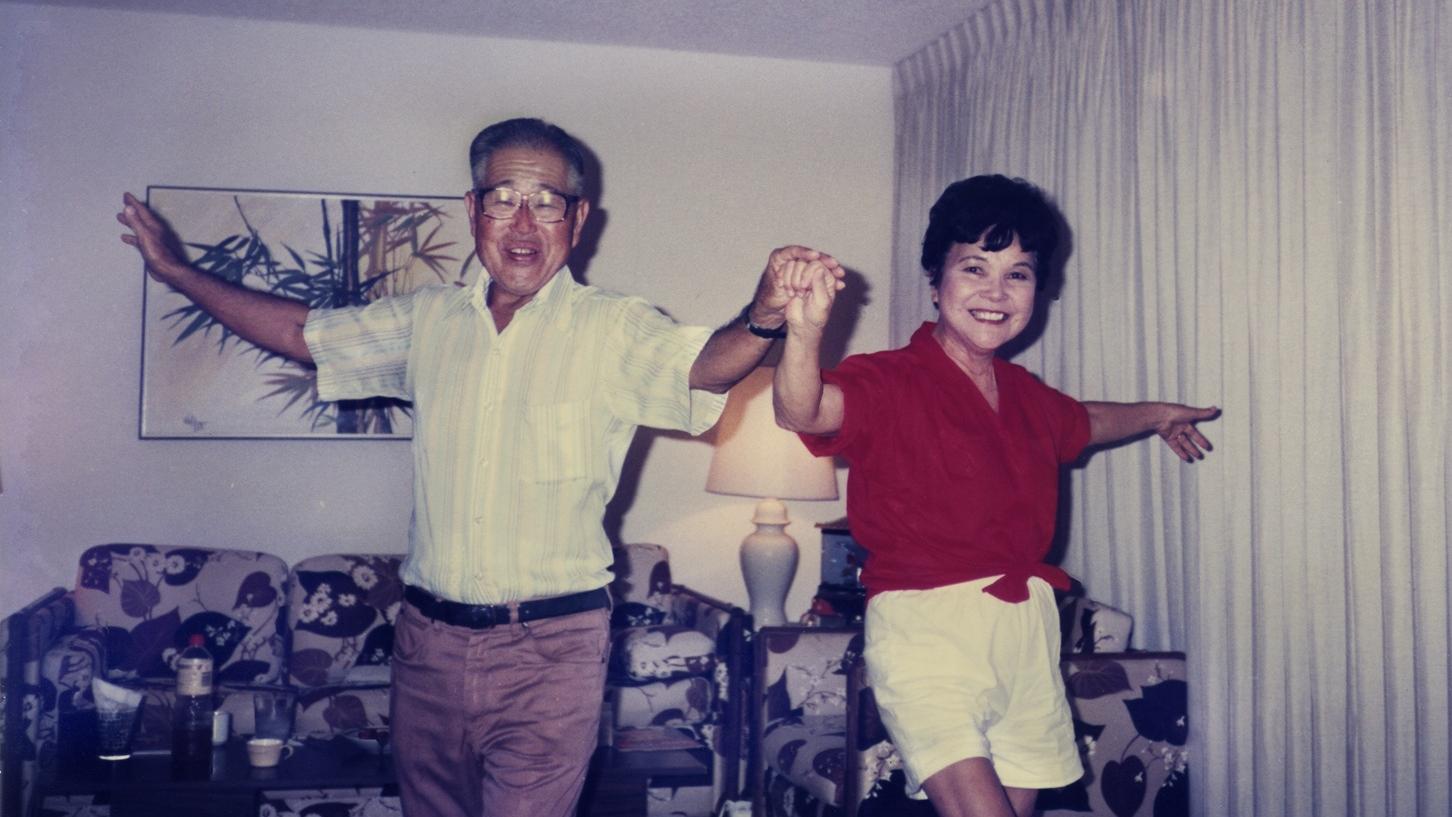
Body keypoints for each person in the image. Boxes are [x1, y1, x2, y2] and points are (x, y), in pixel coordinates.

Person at [117, 117, 842, 817]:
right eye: (503, 199)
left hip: (551, 652)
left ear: (577, 219)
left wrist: (763, 315)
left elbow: (703, 368)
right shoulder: (425, 322)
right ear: (472, 210)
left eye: (546, 203)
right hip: (426, 647)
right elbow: (303, 333)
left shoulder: (613, 328)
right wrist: (179, 272)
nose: (523, 224)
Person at [772, 174, 1216, 817]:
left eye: (1019, 274)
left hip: (1027, 632)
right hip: (928, 632)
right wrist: (804, 333)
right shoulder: (890, 380)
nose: (995, 292)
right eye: (975, 267)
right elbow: (804, 410)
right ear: (936, 279)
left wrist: (1156, 414)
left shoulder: (1027, 394)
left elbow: (1087, 422)